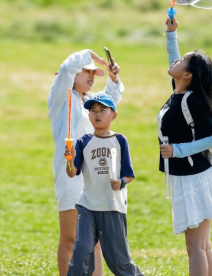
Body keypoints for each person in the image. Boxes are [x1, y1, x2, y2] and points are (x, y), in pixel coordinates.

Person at [158, 17, 212, 276]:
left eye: (180, 63)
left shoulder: (191, 100)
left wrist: (177, 150)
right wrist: (171, 35)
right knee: (201, 246)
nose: (174, 64)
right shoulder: (178, 92)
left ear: (187, 75)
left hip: (195, 178)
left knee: (196, 247)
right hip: (187, 176)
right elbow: (174, 61)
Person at [48, 49, 123, 276]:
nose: (92, 76)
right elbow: (67, 68)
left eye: (94, 73)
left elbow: (112, 100)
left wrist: (113, 78)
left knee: (95, 239)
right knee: (71, 237)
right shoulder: (61, 97)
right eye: (87, 72)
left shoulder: (90, 101)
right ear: (73, 76)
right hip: (70, 173)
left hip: (94, 175)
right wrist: (90, 54)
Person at [64, 93, 143, 276]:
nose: (97, 114)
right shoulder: (83, 142)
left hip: (112, 206)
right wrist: (70, 159)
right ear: (89, 115)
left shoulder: (120, 140)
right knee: (80, 254)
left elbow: (129, 174)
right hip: (87, 206)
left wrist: (121, 182)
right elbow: (71, 173)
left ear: (113, 115)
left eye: (102, 110)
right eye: (93, 111)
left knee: (119, 262)